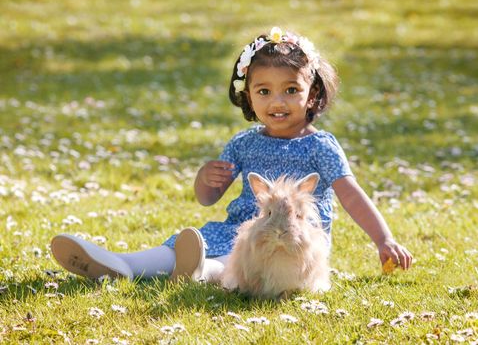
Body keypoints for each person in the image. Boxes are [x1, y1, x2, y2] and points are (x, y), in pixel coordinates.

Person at [51, 27, 413, 284]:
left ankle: (202, 273)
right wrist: (204, 179)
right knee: (186, 243)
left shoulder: (321, 146)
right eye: (264, 91)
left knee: (232, 260)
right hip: (237, 231)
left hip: (292, 242)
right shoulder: (244, 142)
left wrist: (383, 239)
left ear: (312, 93)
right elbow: (208, 199)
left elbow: (351, 194)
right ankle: (121, 264)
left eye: (291, 90)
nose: (277, 101)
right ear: (249, 97)